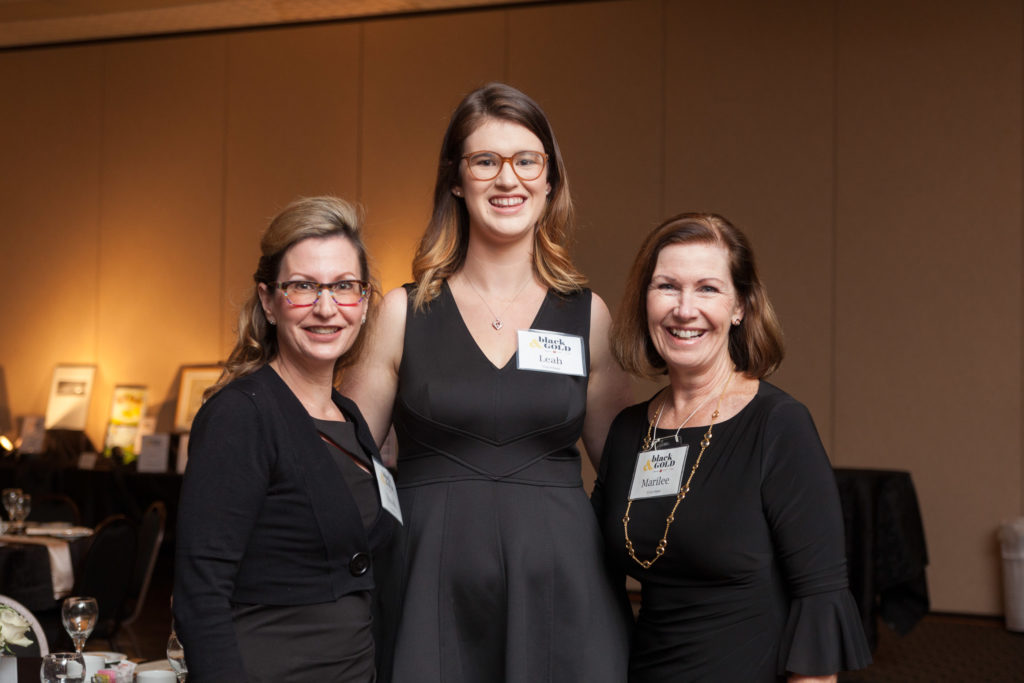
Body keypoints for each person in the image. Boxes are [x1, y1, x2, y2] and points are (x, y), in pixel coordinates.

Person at [342, 83, 634, 682]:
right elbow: (348, 466)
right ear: (456, 179)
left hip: (562, 588)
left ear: (550, 180)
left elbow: (626, 475)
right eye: (485, 161)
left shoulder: (590, 316)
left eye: (527, 160)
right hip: (429, 587)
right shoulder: (400, 312)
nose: (509, 179)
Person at [592, 213, 872, 682]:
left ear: (740, 306)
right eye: (666, 287)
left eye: (707, 288)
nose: (684, 309)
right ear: (645, 301)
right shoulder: (628, 432)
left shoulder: (778, 425)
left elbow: (820, 598)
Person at [174, 196, 400, 682]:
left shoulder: (349, 416)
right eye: (302, 287)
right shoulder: (240, 415)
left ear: (363, 303)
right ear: (268, 301)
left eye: (344, 287)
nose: (325, 308)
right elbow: (200, 593)